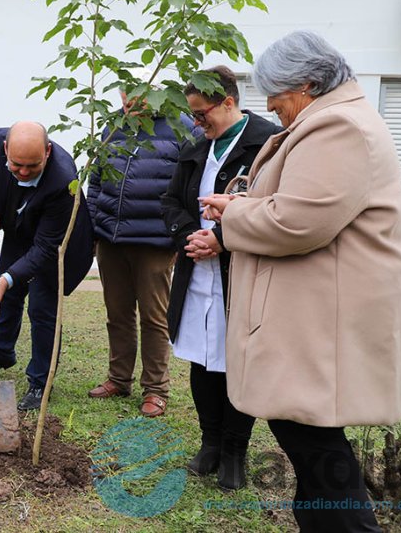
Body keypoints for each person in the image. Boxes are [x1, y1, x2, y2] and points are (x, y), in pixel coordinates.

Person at [200, 31, 401, 531]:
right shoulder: (335, 118)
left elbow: (296, 223)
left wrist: (233, 216)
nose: (276, 111)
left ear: (309, 84)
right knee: (310, 450)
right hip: (316, 320)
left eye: (279, 102)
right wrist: (244, 207)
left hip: (322, 328)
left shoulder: (338, 127)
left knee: (314, 448)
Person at [161, 65, 281, 489]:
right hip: (197, 270)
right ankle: (209, 443)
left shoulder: (266, 143)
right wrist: (189, 237)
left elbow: (272, 209)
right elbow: (171, 200)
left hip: (240, 271)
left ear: (228, 103)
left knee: (234, 360)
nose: (197, 122)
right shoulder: (197, 146)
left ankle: (234, 451)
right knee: (201, 355)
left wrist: (222, 238)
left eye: (201, 113)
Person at [0, 121, 94, 411]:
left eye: (33, 166)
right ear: (5, 149)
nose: (24, 172)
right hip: (19, 230)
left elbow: (44, 249)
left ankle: (40, 381)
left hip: (56, 245)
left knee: (41, 308)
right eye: (16, 165)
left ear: (48, 151)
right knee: (10, 297)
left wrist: (5, 280)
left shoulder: (64, 179)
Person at [86, 90, 182, 418]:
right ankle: (118, 378)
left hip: (155, 240)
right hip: (111, 237)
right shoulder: (112, 125)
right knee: (117, 313)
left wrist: (178, 235)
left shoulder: (180, 125)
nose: (129, 103)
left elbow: (189, 185)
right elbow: (96, 179)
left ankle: (156, 389)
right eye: (125, 96)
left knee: (155, 317)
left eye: (137, 97)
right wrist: (93, 221)